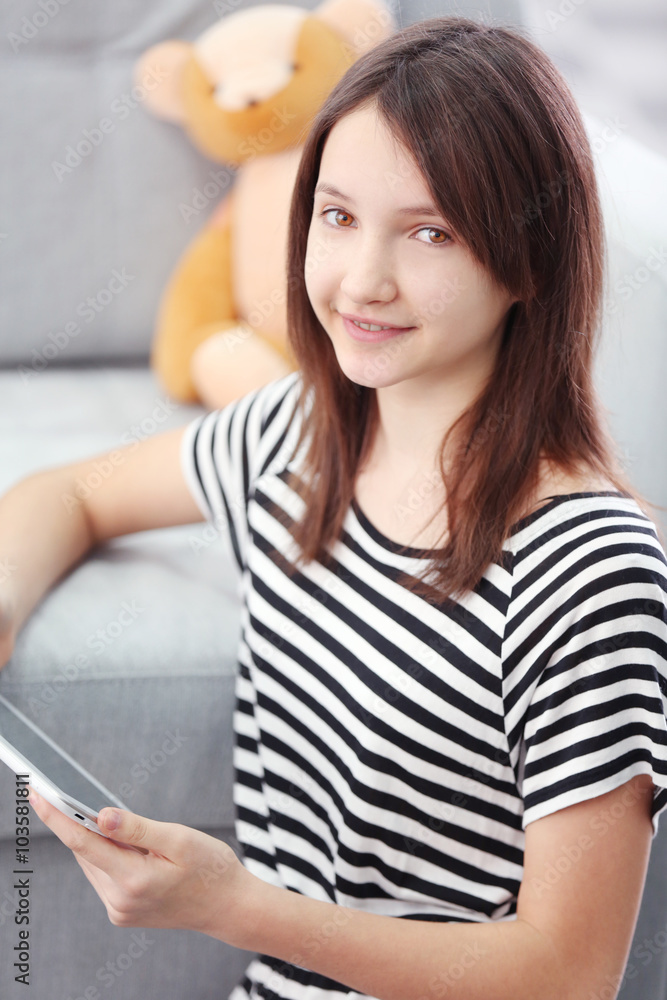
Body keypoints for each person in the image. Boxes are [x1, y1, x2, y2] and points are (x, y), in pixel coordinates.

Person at [2, 14, 667, 1000]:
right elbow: (68, 493)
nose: (361, 281)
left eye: (429, 231)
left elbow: (566, 976)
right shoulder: (302, 433)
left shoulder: (591, 566)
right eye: (337, 215)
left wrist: (234, 905)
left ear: (526, 261)